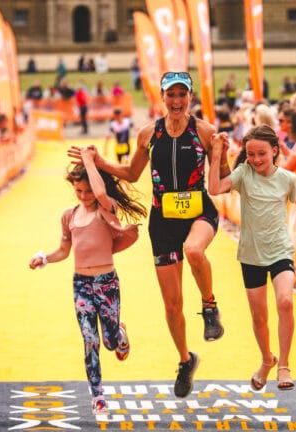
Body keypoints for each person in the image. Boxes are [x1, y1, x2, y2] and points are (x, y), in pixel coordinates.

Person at [68, 71, 230, 398]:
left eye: (182, 95)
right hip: (163, 221)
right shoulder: (148, 134)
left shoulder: (204, 131)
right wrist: (100, 161)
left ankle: (210, 307)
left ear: (190, 98)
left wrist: (219, 154)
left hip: (199, 211)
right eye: (171, 95)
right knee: (172, 305)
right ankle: (186, 360)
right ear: (162, 98)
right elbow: (131, 173)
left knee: (195, 251)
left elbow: (225, 177)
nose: (176, 101)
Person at [207, 125, 296, 391]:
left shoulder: (287, 179)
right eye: (250, 154)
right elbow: (214, 188)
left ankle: (284, 365)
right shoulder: (244, 174)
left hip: (280, 251)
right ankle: (266, 360)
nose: (256, 159)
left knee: (285, 301)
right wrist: (216, 155)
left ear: (274, 151)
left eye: (262, 154)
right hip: (251, 255)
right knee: (259, 318)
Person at [28, 147, 147, 414]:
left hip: (107, 284)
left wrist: (89, 161)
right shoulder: (68, 216)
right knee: (89, 339)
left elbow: (102, 192)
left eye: (88, 190)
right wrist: (43, 258)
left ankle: (120, 333)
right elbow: (64, 250)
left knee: (110, 342)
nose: (84, 196)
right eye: (79, 191)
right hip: (81, 284)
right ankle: (97, 394)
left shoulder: (107, 208)